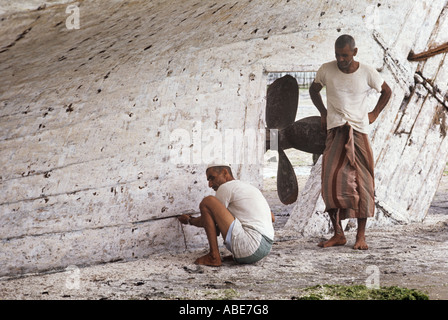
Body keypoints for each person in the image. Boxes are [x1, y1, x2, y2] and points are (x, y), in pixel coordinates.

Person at [309, 34, 392, 250]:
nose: (340, 59)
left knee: (363, 182)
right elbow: (313, 89)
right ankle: (338, 233)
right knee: (331, 181)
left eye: (345, 55)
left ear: (354, 52)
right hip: (335, 130)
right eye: (337, 55)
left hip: (359, 131)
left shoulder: (367, 72)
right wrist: (323, 113)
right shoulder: (326, 70)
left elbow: (387, 91)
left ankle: (361, 237)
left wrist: (373, 114)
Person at [178, 164, 275, 266]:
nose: (210, 184)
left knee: (207, 202)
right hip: (265, 248)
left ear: (225, 173)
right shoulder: (248, 187)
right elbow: (271, 217)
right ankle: (241, 254)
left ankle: (214, 256)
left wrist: (190, 220)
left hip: (251, 246)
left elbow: (208, 220)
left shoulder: (225, 187)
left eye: (212, 178)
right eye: (208, 180)